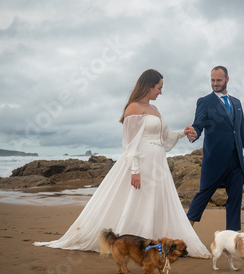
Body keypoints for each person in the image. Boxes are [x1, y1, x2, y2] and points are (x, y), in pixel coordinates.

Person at [34, 69, 211, 258]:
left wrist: (182, 133)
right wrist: (134, 169)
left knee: (156, 202)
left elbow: (163, 139)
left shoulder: (155, 109)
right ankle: (133, 244)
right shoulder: (133, 108)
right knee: (138, 201)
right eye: (159, 88)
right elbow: (130, 143)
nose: (161, 92)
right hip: (142, 161)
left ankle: (153, 242)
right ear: (149, 86)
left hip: (158, 161)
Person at [186, 66, 244, 231]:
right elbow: (198, 125)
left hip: (236, 161)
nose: (215, 83)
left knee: (235, 200)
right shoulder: (205, 101)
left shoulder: (237, 103)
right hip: (214, 160)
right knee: (203, 195)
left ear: (227, 79)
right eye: (212, 80)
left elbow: (242, 131)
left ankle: (233, 240)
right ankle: (184, 235)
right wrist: (193, 133)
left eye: (218, 80)